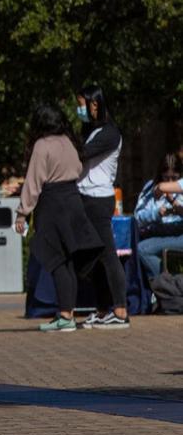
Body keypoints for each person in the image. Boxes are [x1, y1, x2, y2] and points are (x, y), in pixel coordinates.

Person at [16, 103, 106, 332]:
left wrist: (22, 212)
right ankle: (68, 311)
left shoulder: (41, 145)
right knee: (68, 259)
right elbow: (77, 168)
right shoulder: (69, 141)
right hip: (72, 199)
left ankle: (65, 315)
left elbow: (33, 180)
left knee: (56, 260)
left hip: (52, 204)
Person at [74, 86, 130, 328]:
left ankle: (120, 310)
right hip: (84, 198)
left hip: (98, 200)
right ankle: (103, 308)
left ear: (94, 105)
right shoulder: (91, 131)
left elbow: (82, 154)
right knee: (93, 258)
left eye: (81, 104)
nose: (79, 109)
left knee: (108, 255)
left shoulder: (110, 133)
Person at [133, 152, 183, 280]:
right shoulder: (151, 187)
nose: (170, 182)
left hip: (178, 233)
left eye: (174, 178)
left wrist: (176, 206)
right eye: (166, 178)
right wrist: (155, 214)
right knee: (133, 247)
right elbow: (138, 217)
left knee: (143, 249)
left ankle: (165, 286)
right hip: (155, 233)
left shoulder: (179, 188)